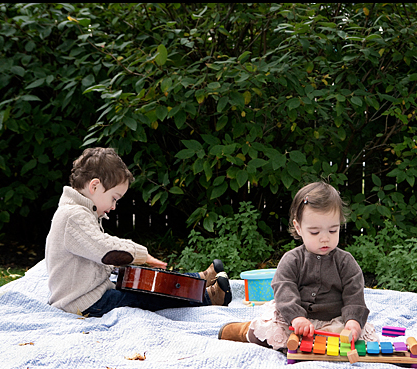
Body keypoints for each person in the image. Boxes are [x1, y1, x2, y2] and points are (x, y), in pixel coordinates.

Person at [45, 147, 231, 317]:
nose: (113, 206)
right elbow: (105, 249)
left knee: (145, 285)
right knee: (144, 298)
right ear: (94, 186)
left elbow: (93, 253)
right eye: (114, 198)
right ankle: (208, 298)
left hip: (93, 293)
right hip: (82, 303)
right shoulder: (73, 216)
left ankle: (198, 280)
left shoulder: (79, 212)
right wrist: (141, 255)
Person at [218, 181, 378, 350]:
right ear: (298, 227)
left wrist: (353, 321)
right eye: (315, 232)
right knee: (269, 330)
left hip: (334, 321)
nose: (325, 238)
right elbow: (284, 289)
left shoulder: (346, 262)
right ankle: (245, 331)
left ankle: (312, 343)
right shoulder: (292, 260)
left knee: (358, 339)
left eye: (333, 230)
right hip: (294, 321)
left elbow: (354, 295)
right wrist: (296, 317)